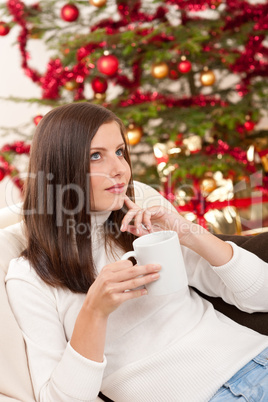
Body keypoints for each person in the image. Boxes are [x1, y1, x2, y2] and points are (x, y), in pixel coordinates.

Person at [5, 102, 268, 402]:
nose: (119, 169)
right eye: (95, 156)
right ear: (61, 171)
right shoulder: (30, 277)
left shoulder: (144, 231)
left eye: (119, 152)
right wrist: (94, 312)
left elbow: (262, 297)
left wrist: (187, 232)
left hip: (257, 357)